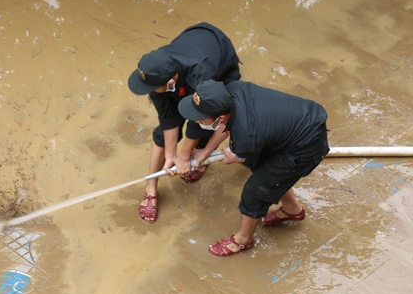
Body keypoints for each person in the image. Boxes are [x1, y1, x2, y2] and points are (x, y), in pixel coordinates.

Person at [178, 79, 329, 257]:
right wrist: (206, 151)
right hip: (298, 120)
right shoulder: (232, 91)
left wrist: (234, 157)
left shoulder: (247, 135)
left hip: (305, 144)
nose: (195, 119)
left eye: (199, 116)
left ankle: (243, 240)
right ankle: (292, 210)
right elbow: (229, 126)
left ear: (219, 117)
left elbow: (243, 154)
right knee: (268, 174)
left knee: (256, 190)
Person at [128, 22, 241, 224]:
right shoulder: (156, 74)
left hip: (218, 52)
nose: (148, 90)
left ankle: (199, 157)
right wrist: (171, 156)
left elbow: (198, 121)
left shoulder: (201, 75)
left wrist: (185, 156)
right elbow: (167, 118)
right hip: (193, 40)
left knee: (208, 120)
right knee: (163, 133)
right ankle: (151, 187)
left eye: (152, 87)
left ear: (171, 80)